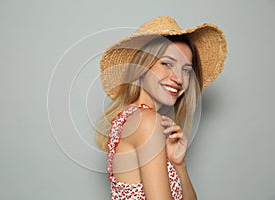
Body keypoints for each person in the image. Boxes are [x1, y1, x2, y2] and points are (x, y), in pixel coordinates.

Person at [96, 16, 227, 199]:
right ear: (141, 66)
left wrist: (179, 164)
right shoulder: (147, 121)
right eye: (167, 63)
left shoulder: (134, 119)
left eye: (186, 70)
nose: (179, 79)